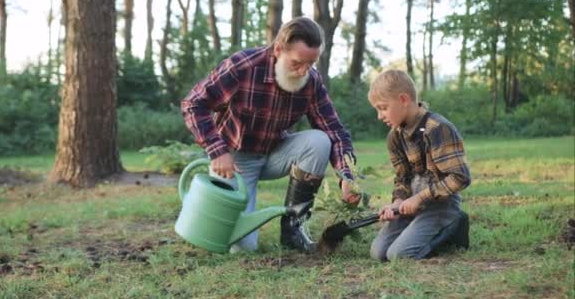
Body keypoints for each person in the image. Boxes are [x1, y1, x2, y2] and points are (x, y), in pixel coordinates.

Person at [181, 17, 360, 253]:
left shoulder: (311, 81)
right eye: (297, 63)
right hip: (234, 162)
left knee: (319, 140)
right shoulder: (244, 66)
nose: (303, 70)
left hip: (276, 151)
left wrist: (347, 176)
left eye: (311, 63)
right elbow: (193, 104)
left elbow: (335, 130)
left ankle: (293, 228)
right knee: (241, 247)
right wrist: (217, 151)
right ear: (278, 49)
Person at [368, 69, 471, 261]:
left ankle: (455, 224)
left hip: (441, 205)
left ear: (403, 99)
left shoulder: (438, 128)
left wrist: (419, 199)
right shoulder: (394, 137)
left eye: (382, 108)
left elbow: (461, 177)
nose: (379, 116)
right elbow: (402, 178)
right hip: (412, 204)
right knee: (378, 253)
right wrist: (398, 202)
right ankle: (417, 226)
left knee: (398, 255)